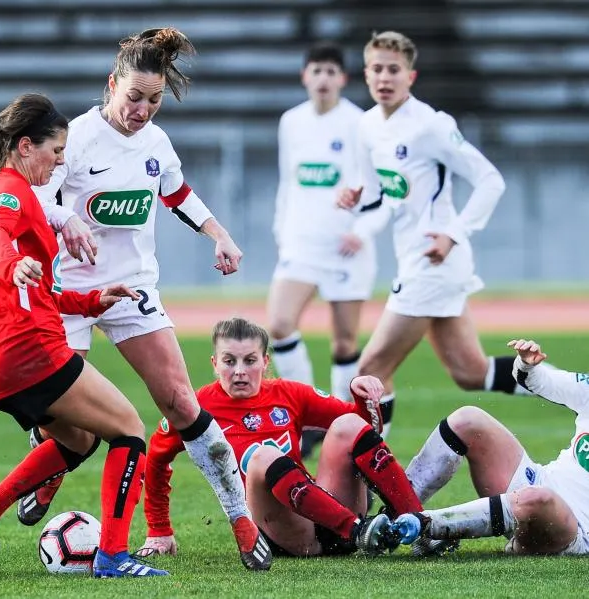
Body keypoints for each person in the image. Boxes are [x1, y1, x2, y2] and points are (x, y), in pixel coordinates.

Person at [21, 27, 271, 571]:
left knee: (182, 402)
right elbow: (35, 195)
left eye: (154, 100)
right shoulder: (78, 138)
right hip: (68, 291)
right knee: (65, 419)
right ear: (112, 85)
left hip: (132, 287)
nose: (142, 110)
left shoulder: (156, 143)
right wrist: (67, 223)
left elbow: (176, 192)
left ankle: (241, 519)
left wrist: (220, 235)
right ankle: (48, 469)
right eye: (134, 96)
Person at [0, 93, 168, 578]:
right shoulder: (11, 192)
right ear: (26, 146)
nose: (62, 161)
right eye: (56, 151)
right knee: (130, 430)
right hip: (29, 352)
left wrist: (91, 302)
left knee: (81, 439)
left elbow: (35, 285)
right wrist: (12, 262)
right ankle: (113, 556)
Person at [336, 30, 522, 439]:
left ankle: (368, 480)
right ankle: (573, 388)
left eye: (394, 70)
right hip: (416, 259)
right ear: (365, 74)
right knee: (469, 372)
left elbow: (491, 180)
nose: (385, 78)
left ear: (411, 76)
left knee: (370, 373)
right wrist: (355, 194)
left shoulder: (431, 126)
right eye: (377, 69)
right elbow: (378, 193)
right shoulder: (366, 126)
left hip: (434, 261)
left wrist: (452, 234)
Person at [138, 317, 426, 559]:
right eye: (229, 361)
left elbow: (361, 429)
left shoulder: (289, 392)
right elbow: (157, 458)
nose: (239, 371)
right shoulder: (196, 407)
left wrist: (361, 396)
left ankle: (420, 525)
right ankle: (359, 530)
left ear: (265, 362)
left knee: (346, 424)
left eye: (249, 360)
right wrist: (159, 529)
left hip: (325, 511)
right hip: (283, 532)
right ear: (215, 363)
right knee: (263, 456)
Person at [266, 41, 378, 459]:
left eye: (332, 72)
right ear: (305, 76)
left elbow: (378, 183)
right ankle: (309, 415)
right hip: (301, 243)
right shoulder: (291, 122)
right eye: (317, 70)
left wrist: (362, 229)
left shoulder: (360, 123)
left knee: (345, 342)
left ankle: (342, 423)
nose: (324, 79)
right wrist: (282, 230)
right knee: (279, 323)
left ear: (343, 79)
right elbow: (287, 180)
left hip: (346, 246)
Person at [399, 338, 589, 556]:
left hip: (574, 530)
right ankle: (396, 511)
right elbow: (539, 381)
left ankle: (422, 526)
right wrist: (527, 365)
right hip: (538, 483)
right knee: (468, 420)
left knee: (538, 499)